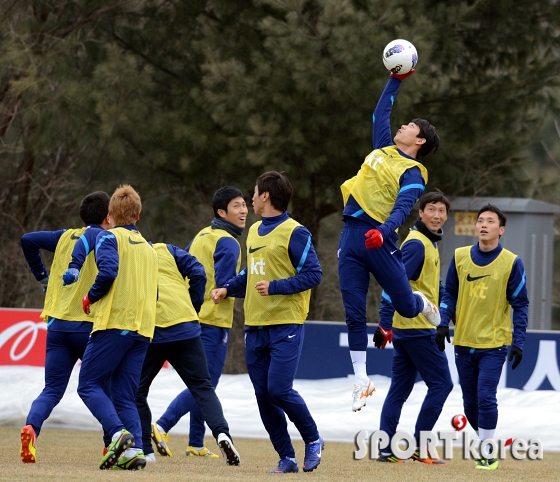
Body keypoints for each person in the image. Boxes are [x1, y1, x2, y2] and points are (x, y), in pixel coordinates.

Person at [337, 69, 441, 412]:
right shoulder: (383, 147)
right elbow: (380, 113)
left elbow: (402, 209)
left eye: (410, 125)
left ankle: (422, 303)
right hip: (352, 234)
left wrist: (383, 231)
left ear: (420, 140)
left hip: (379, 239)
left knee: (406, 307)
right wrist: (397, 77)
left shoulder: (414, 173)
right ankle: (360, 381)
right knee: (353, 313)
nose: (402, 125)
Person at [212, 171, 323, 474]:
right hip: (254, 325)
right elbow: (252, 273)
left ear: (266, 196)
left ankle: (313, 439)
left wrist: (276, 286)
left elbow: (314, 275)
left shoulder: (295, 232)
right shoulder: (255, 231)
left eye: (254, 192)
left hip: (286, 323)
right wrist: (228, 287)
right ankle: (286, 457)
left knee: (279, 389)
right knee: (263, 394)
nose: (250, 198)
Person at [151, 187, 247, 459]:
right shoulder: (229, 241)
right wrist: (252, 281)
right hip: (213, 321)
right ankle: (162, 425)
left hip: (191, 317)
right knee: (205, 385)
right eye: (237, 206)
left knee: (202, 383)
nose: (243, 211)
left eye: (244, 205)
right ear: (221, 212)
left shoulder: (202, 235)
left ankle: (195, 442)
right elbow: (226, 284)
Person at [18, 191, 111, 464]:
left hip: (58, 327)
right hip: (89, 326)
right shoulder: (107, 238)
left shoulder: (65, 236)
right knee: (102, 388)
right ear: (109, 216)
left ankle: (31, 428)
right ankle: (111, 445)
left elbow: (27, 240)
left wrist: (42, 277)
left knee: (51, 390)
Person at [436, 204, 529, 471]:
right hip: (464, 342)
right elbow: (449, 294)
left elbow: (521, 304)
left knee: (486, 396)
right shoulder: (460, 255)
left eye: (490, 221)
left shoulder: (512, 262)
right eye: (480, 221)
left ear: (501, 230)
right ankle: (488, 443)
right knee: (470, 405)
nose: (483, 225)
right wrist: (443, 324)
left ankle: (486, 453)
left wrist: (518, 342)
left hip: (494, 344)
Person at [135, 242, 240, 466]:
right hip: (185, 325)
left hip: (152, 329)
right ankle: (222, 434)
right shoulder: (166, 249)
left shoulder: (124, 251)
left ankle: (145, 450)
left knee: (137, 391)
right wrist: (192, 304)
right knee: (202, 387)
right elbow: (198, 271)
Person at [77, 185, 158, 470]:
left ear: (110, 215)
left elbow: (108, 271)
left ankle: (117, 433)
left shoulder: (109, 238)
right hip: (143, 330)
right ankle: (133, 450)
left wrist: (90, 296)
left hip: (114, 324)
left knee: (87, 384)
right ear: (138, 214)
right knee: (125, 394)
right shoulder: (150, 248)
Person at [375, 191, 453, 464]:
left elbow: (433, 286)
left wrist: (445, 315)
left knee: (399, 389)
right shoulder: (417, 244)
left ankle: (385, 449)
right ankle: (421, 446)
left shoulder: (429, 243)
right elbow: (393, 282)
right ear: (420, 213)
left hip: (409, 328)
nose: (436, 215)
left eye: (441, 211)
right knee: (442, 384)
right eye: (431, 209)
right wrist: (384, 323)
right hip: (417, 329)